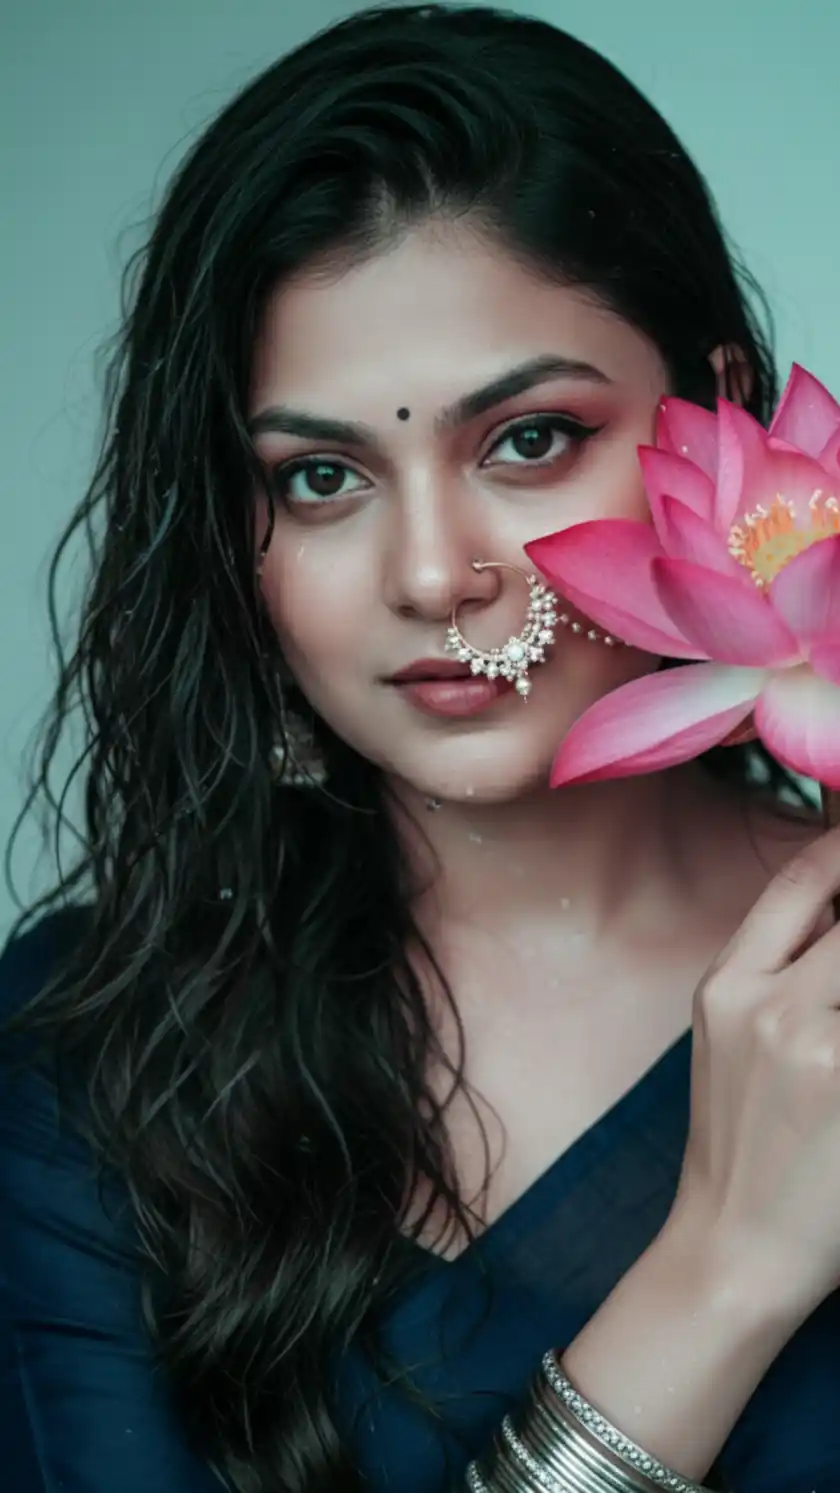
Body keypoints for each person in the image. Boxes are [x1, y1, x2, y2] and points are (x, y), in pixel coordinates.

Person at [2, 4, 840, 1490]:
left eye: (527, 441)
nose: (434, 574)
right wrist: (719, 1276)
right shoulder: (86, 1069)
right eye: (322, 476)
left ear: (713, 420)